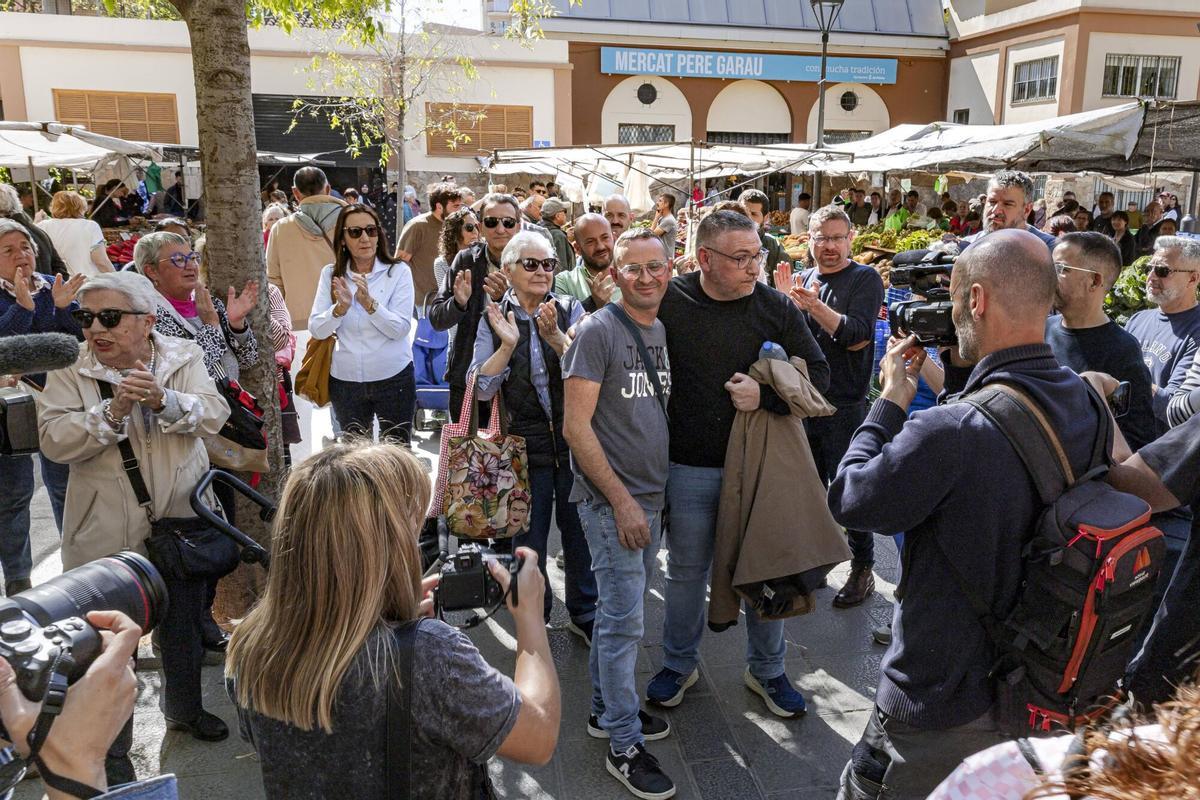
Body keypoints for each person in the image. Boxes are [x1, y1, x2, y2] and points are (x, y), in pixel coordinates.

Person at [828, 229, 1106, 799]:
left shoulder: (949, 430)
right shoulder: (1087, 400)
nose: (949, 313)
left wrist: (890, 402)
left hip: (938, 704)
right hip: (1038, 688)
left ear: (976, 299)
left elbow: (851, 496)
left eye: (953, 299)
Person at [226, 441, 560, 799]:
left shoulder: (250, 645)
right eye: (409, 532)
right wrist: (529, 619)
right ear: (381, 550)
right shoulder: (428, 656)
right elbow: (537, 737)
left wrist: (376, 613)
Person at [648, 210, 829, 719]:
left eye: (758, 255)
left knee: (766, 567)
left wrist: (767, 392)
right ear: (704, 258)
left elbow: (820, 373)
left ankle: (767, 670)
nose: (755, 267)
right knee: (685, 572)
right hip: (689, 466)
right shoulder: (673, 300)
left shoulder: (775, 307)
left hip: (760, 469)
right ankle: (678, 664)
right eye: (741, 257)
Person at [37, 271, 232, 744]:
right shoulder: (71, 366)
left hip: (181, 520)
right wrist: (111, 413)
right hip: (102, 533)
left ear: (146, 322)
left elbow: (214, 414)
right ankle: (114, 744)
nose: (96, 329)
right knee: (106, 645)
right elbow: (54, 441)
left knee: (181, 628)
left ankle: (183, 711)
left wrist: (166, 401)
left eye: (110, 317)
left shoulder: (183, 357)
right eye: (86, 318)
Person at [562, 228, 676, 799]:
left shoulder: (660, 328)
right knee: (623, 624)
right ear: (615, 273)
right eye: (635, 268)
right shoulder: (598, 331)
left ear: (670, 269)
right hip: (615, 506)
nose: (647, 277)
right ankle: (624, 744)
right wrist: (623, 500)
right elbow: (575, 427)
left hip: (650, 500)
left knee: (620, 617)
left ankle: (607, 710)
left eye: (656, 267)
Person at [470, 231, 598, 638]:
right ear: (507, 271)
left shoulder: (569, 308)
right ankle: (533, 619)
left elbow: (592, 370)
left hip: (572, 443)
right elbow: (482, 388)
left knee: (580, 537)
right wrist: (507, 347)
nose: (542, 271)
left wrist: (557, 339)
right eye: (531, 264)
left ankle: (583, 613)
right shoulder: (492, 317)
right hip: (521, 449)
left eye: (548, 264)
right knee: (527, 544)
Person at [776, 205, 885, 608]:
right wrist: (786, 307)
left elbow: (856, 336)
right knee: (811, 488)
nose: (829, 247)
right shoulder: (805, 279)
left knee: (848, 488)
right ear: (810, 241)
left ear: (851, 239)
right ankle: (819, 559)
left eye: (837, 238)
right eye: (821, 238)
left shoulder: (865, 278)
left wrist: (811, 306)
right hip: (806, 402)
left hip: (845, 405)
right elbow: (795, 341)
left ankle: (863, 568)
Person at [0, 218, 83, 593]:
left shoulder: (54, 286)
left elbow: (71, 343)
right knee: (13, 496)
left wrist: (62, 308)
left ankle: (76, 570)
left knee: (65, 487)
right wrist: (22, 307)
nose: (21, 256)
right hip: (11, 407)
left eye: (26, 247)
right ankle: (19, 581)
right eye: (9, 250)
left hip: (58, 401)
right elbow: (6, 347)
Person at [309, 204, 415, 443]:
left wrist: (371, 306)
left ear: (379, 235)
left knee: (396, 455)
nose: (365, 238)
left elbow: (400, 329)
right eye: (355, 232)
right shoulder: (331, 274)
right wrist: (339, 309)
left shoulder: (398, 272)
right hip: (346, 380)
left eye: (371, 230)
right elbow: (316, 328)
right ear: (343, 239)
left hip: (393, 376)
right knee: (354, 459)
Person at [1047, 232, 1155, 452]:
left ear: (1095, 281)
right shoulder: (1041, 328)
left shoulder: (1122, 351)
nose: (1048, 276)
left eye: (1061, 269)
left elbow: (1136, 440)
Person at [429, 192, 520, 422]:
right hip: (469, 375)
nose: (500, 229)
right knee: (467, 454)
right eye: (492, 222)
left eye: (508, 222)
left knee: (514, 456)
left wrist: (506, 297)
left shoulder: (532, 260)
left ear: (518, 225)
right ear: (480, 226)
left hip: (517, 379)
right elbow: (438, 318)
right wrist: (459, 303)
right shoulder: (466, 260)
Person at [132, 232, 258, 383]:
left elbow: (248, 361)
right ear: (152, 271)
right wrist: (211, 326)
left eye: (193, 258)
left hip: (228, 402)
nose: (191, 266)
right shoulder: (150, 317)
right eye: (179, 260)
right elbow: (188, 373)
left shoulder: (208, 302)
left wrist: (237, 325)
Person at [266, 167, 345, 333]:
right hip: (343, 318)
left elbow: (273, 281)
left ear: (295, 192)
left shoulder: (280, 229)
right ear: (328, 189)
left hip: (298, 322)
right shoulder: (352, 222)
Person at [959, 170, 1058, 253]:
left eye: (1007, 204)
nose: (996, 211)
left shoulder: (1049, 250)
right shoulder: (968, 246)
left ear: (1026, 210)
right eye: (992, 202)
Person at [397, 182, 464, 303]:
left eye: (461, 206)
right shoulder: (418, 226)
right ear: (439, 207)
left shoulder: (457, 225)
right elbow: (400, 262)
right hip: (427, 301)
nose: (460, 210)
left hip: (455, 301)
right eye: (455, 206)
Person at [37, 191, 115, 277]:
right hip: (85, 282)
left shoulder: (42, 226)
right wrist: (117, 279)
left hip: (57, 283)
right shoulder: (90, 226)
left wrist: (36, 221)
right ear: (80, 207)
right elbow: (101, 261)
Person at [0, 184, 68, 278]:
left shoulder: (8, 234)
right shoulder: (38, 231)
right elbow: (61, 271)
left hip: (23, 290)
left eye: (25, 248)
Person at [554, 213, 619, 312]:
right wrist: (593, 304)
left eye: (605, 238)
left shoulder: (630, 277)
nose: (600, 246)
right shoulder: (564, 282)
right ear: (577, 248)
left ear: (614, 238)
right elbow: (563, 322)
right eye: (590, 242)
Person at [740, 189, 788, 278]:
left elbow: (781, 287)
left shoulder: (774, 248)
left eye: (754, 214)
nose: (747, 218)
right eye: (743, 212)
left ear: (765, 217)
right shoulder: (725, 242)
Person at [540, 197, 575, 274]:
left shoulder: (540, 229)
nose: (566, 214)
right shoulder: (557, 235)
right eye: (564, 211)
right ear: (557, 216)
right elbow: (562, 267)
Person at [651, 194, 678, 262]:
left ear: (666, 204)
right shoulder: (663, 218)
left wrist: (656, 218)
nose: (657, 203)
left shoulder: (668, 220)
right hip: (661, 257)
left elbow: (651, 235)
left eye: (660, 201)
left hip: (665, 259)